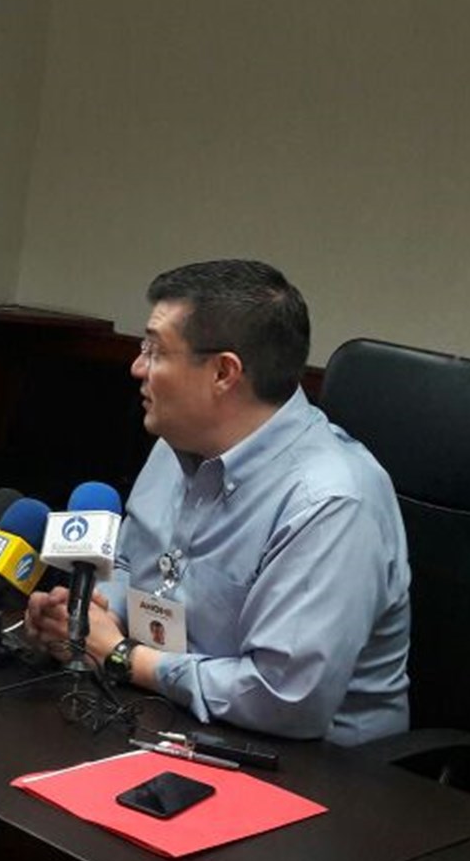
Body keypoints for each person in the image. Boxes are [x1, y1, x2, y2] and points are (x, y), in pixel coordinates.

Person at [25, 259, 411, 745]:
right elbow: (128, 565)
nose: (137, 367)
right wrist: (87, 618)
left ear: (223, 372)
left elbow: (285, 698)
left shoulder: (331, 501)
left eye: (155, 350)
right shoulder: (177, 441)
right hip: (169, 715)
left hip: (310, 765)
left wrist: (122, 656)